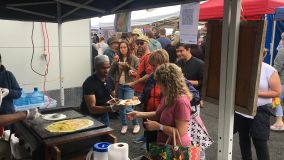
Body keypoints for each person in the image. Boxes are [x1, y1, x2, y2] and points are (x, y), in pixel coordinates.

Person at [128, 63, 192, 146]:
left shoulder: (182, 102)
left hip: (176, 148)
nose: (157, 85)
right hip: (164, 143)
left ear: (168, 83)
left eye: (158, 82)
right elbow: (158, 114)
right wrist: (138, 114)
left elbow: (180, 132)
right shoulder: (167, 95)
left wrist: (159, 127)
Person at [234, 50, 282, 160]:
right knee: (243, 138)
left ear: (262, 56)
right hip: (241, 109)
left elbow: (277, 91)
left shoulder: (269, 70)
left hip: (260, 110)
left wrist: (255, 93)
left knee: (259, 141)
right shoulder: (241, 67)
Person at [134, 49, 169, 150]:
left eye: (154, 65)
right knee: (151, 147)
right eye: (151, 65)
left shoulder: (172, 78)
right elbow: (146, 94)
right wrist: (139, 98)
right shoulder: (151, 78)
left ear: (165, 64)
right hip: (149, 115)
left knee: (163, 148)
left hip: (163, 120)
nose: (151, 68)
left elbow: (194, 95)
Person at [109, 41, 140, 134]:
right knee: (121, 107)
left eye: (124, 47)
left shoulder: (134, 58)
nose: (122, 49)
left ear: (128, 48)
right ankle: (124, 125)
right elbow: (111, 72)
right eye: (121, 48)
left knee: (128, 105)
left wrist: (128, 67)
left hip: (129, 85)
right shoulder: (117, 58)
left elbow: (138, 72)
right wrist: (114, 62)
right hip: (119, 85)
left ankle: (136, 124)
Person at [80, 55, 120, 126]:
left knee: (105, 134)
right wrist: (111, 108)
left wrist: (118, 102)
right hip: (89, 116)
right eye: (103, 68)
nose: (107, 70)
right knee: (92, 135)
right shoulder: (89, 83)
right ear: (96, 67)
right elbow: (92, 109)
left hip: (104, 113)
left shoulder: (110, 79)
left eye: (108, 67)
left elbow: (112, 98)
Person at [176, 43, 204, 110]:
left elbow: (203, 82)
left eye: (181, 51)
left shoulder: (200, 64)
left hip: (194, 99)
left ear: (188, 50)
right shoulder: (177, 63)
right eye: (177, 51)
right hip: (180, 97)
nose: (178, 53)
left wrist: (186, 81)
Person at [271, 47, 284, 131]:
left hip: (282, 80)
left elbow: (276, 68)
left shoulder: (282, 51)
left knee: (276, 99)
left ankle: (279, 122)